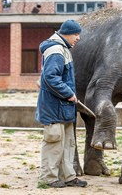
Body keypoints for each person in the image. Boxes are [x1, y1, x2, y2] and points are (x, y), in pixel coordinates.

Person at [36, 20, 87, 188]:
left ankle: (68, 177)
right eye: (76, 34)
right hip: (54, 107)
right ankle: (49, 178)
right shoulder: (56, 49)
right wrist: (69, 93)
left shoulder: (63, 48)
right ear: (67, 33)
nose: (78, 38)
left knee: (67, 144)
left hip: (63, 107)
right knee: (54, 143)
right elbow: (50, 77)